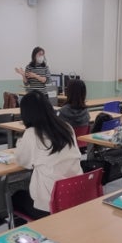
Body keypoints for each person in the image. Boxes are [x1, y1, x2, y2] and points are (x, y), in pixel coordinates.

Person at [13, 91, 82, 219]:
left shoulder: (32, 133)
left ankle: (31, 235)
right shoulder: (67, 127)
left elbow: (22, 161)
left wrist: (20, 143)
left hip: (50, 205)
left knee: (15, 197)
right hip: (75, 195)